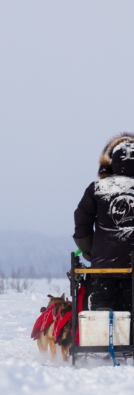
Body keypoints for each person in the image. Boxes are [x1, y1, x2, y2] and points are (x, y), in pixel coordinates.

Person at [74, 133, 134, 311]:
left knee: (101, 310)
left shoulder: (97, 188)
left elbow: (82, 221)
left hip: (104, 264)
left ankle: (102, 336)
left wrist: (89, 251)